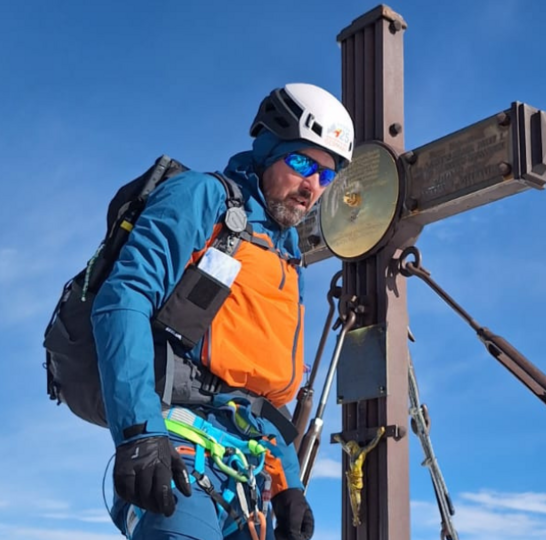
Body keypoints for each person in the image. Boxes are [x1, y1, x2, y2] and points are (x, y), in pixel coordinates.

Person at [91, 83, 355, 540]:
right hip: (179, 454)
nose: (312, 186)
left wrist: (287, 486)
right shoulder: (204, 198)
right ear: (269, 149)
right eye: (302, 163)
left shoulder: (287, 256)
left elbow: (261, 394)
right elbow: (124, 297)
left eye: (326, 175)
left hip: (247, 479)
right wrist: (139, 431)